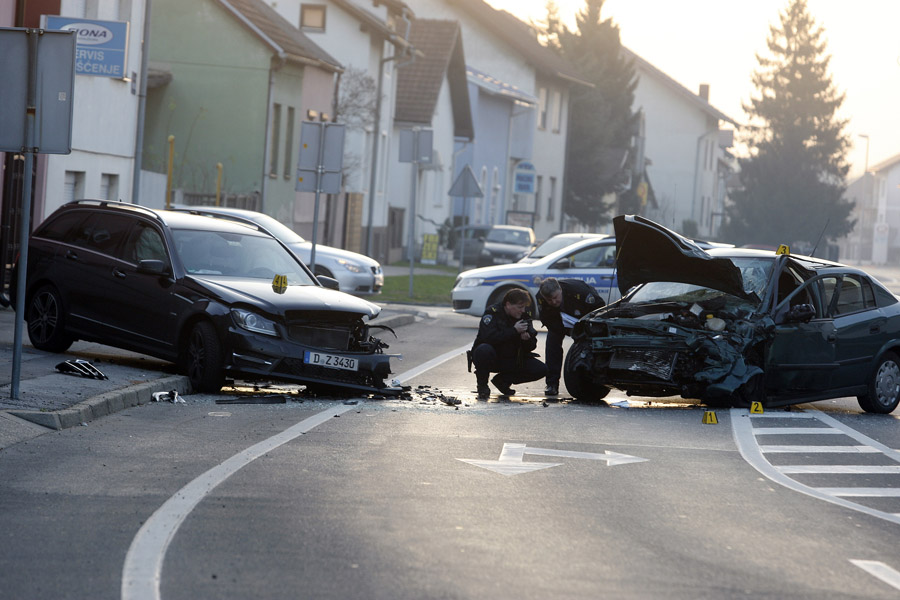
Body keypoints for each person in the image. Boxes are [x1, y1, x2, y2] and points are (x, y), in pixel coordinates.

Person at [469, 288, 547, 399]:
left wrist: (527, 340)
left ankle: (503, 381)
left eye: (524, 307)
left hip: (511, 357)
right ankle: (482, 386)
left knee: (541, 369)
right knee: (483, 350)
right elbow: (488, 337)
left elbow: (532, 346)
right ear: (508, 304)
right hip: (493, 357)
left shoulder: (524, 316)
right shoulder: (493, 313)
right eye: (520, 307)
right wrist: (514, 331)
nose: (523, 310)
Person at [537, 277, 601, 396]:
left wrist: (582, 330)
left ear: (560, 289)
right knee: (552, 344)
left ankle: (590, 380)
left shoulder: (580, 291)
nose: (553, 302)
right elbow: (546, 318)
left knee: (589, 346)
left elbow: (600, 309)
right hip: (560, 323)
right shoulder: (541, 297)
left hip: (585, 320)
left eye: (555, 298)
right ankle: (552, 384)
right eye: (549, 300)